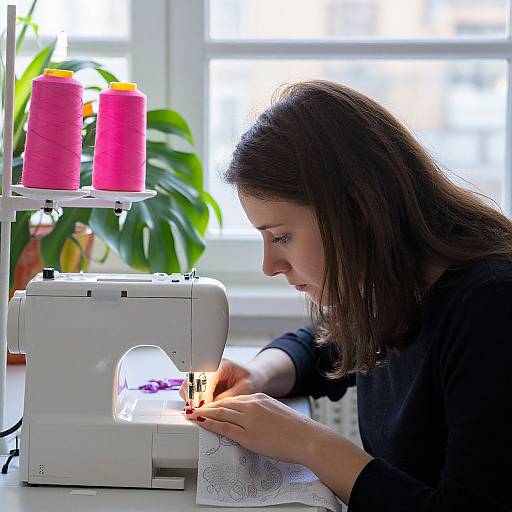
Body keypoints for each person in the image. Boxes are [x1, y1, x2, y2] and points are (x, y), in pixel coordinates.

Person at [180, 80, 512, 511]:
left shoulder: (491, 308)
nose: (269, 266)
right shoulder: (392, 290)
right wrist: (257, 375)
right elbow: (321, 343)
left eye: (281, 236)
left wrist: (309, 444)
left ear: (355, 211)